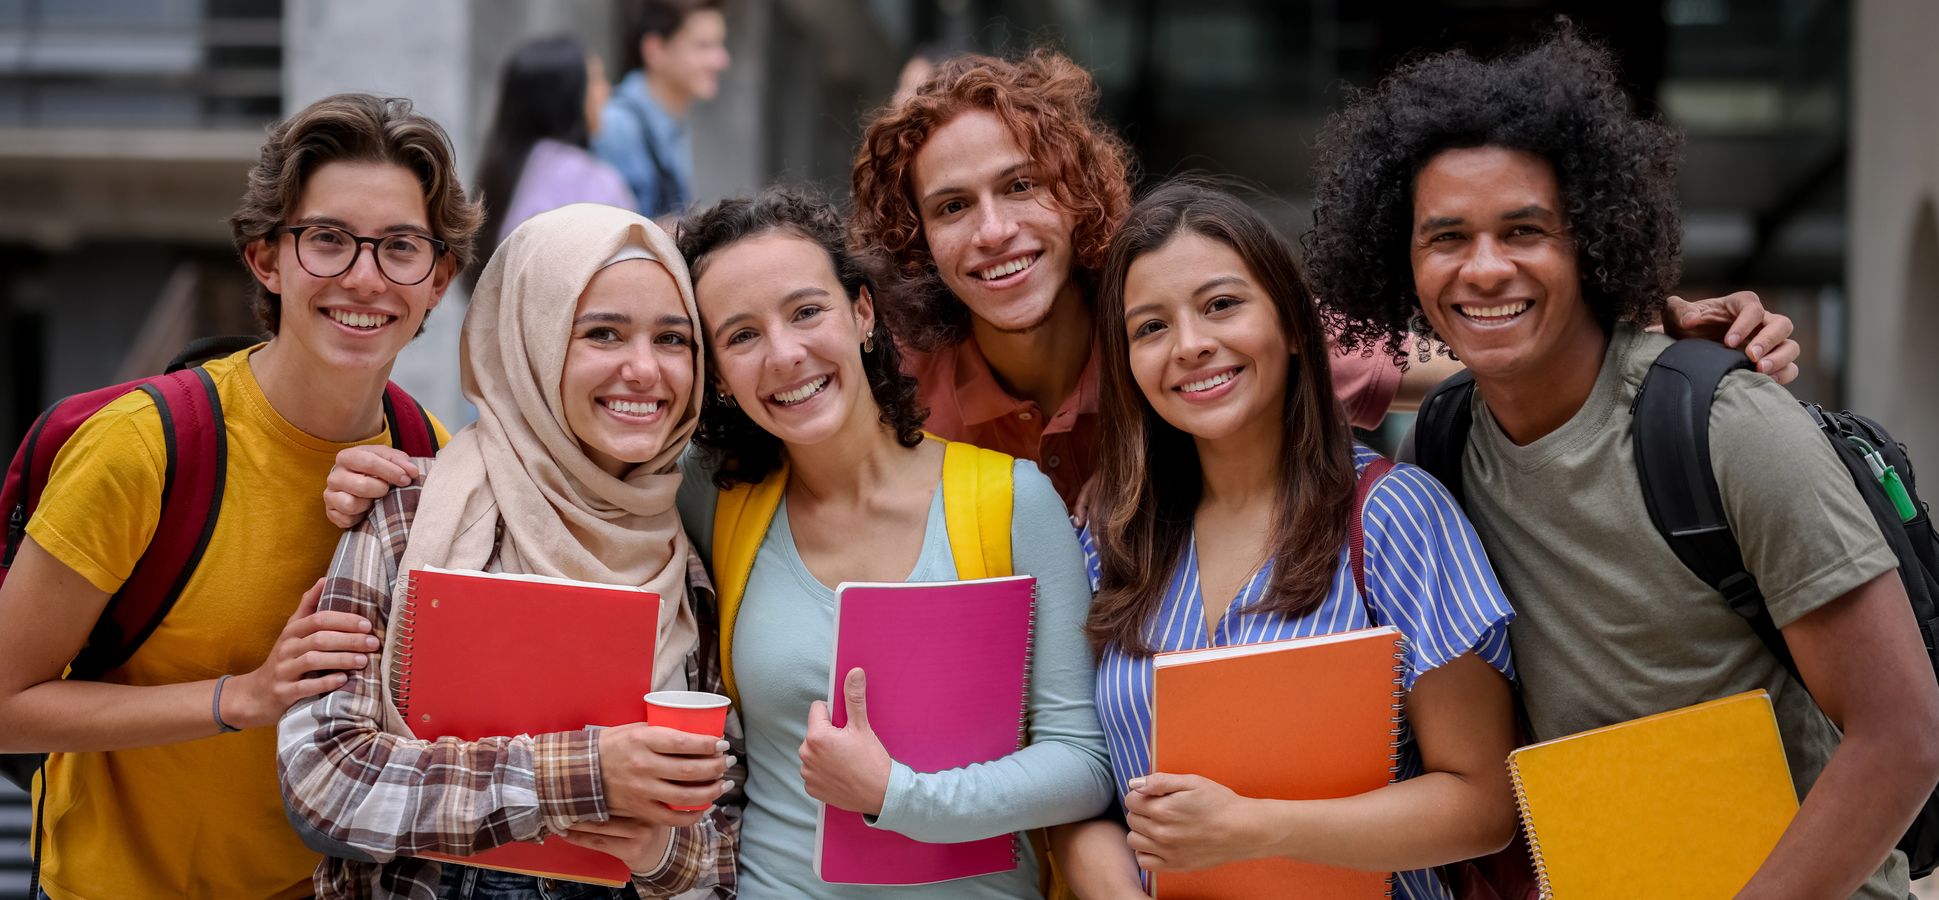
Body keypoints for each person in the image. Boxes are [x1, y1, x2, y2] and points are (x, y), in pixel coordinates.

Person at [1306, 30, 1939, 899]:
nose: (1484, 268)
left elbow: (1902, 735)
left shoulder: (1723, 425)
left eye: (1523, 230)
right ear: (1401, 262)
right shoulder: (1445, 442)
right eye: (1445, 237)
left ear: (1590, 242)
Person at [849, 49, 1803, 514]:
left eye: (1021, 186)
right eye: (950, 207)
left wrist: (1657, 331)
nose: (995, 231)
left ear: (1078, 193)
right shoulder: (891, 387)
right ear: (914, 234)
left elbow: (1464, 337)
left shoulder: (1194, 333)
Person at [0, 93, 470, 900]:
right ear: (266, 260)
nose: (364, 276)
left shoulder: (438, 462)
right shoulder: (141, 448)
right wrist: (242, 698)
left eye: (400, 247)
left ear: (439, 280)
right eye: (327, 240)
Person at [1053, 181, 1518, 899]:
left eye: (1221, 305)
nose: (1191, 346)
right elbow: (1080, 789)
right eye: (1149, 327)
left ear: (1295, 327)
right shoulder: (1108, 544)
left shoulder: (1393, 516)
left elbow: (1483, 805)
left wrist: (1257, 828)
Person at [279, 203, 742, 898]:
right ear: (532, 341)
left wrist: (658, 854)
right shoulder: (406, 517)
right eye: (604, 334)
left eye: (673, 340)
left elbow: (721, 844)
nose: (644, 370)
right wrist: (586, 773)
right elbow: (323, 784)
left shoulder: (686, 567)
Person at [673, 187, 1114, 898]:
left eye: (805, 311)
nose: (784, 354)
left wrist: (898, 795)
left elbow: (1083, 765)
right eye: (741, 335)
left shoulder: (1011, 501)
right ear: (718, 375)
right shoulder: (711, 498)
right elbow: (577, 473)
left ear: (862, 313)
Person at [476, 34, 637, 254]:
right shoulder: (592, 180)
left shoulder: (503, 173)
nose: (606, 91)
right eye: (596, 80)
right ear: (567, 95)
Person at [593, 0, 730, 219]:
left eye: (721, 45)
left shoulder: (671, 125)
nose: (721, 60)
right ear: (655, 49)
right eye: (703, 46)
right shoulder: (616, 126)